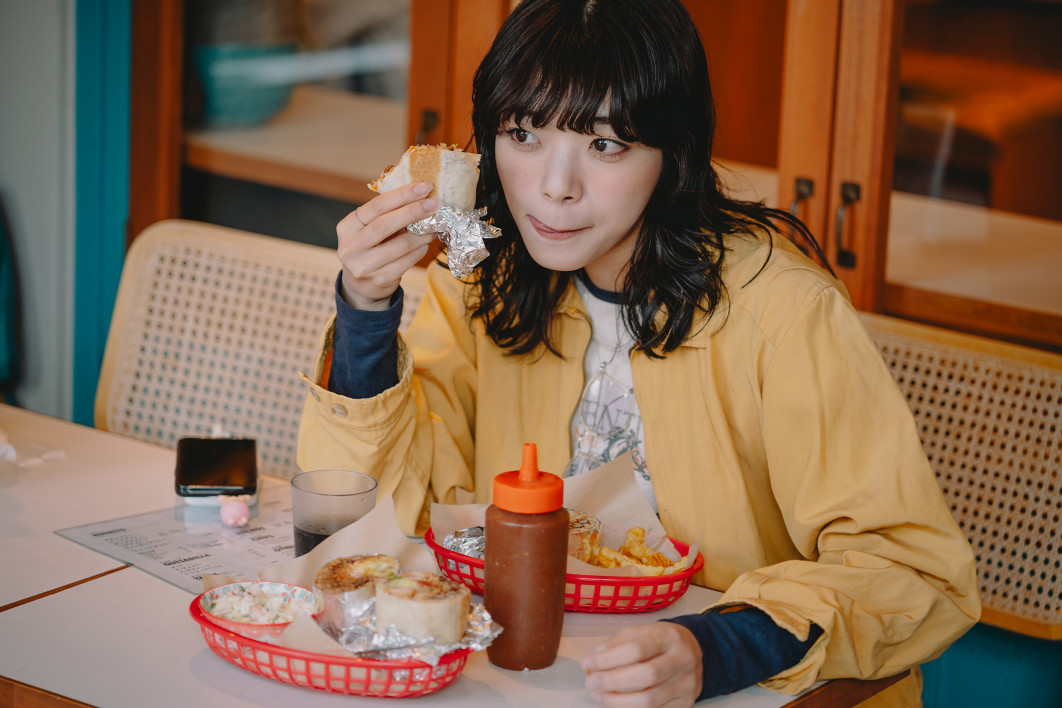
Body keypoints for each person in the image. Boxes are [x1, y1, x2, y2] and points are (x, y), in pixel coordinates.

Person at [297, 0, 980, 705]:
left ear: (672, 153)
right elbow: (373, 522)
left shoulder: (784, 311)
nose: (554, 187)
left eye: (605, 145)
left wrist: (714, 649)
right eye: (524, 134)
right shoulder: (482, 282)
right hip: (533, 677)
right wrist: (366, 312)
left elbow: (911, 571)